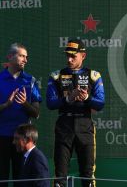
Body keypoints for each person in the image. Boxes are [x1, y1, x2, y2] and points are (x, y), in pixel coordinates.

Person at [46, 39, 105, 187]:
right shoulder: (56, 76)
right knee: (60, 175)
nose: (69, 59)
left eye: (74, 56)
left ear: (83, 56)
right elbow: (50, 103)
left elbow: (100, 104)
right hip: (64, 125)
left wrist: (86, 98)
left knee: (87, 174)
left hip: (85, 125)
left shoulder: (94, 75)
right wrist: (68, 98)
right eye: (67, 56)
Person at [0, 43, 41, 187]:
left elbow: (36, 114)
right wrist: (5, 105)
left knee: (22, 180)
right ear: (10, 57)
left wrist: (24, 103)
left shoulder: (30, 81)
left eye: (26, 57)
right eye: (22, 56)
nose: (25, 60)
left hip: (23, 139)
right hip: (2, 137)